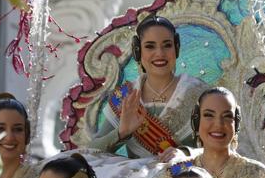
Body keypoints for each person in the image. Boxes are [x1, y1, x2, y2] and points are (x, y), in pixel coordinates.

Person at [88, 15, 209, 160]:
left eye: (167, 45)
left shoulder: (199, 93)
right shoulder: (125, 96)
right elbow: (91, 153)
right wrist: (122, 132)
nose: (160, 53)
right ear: (138, 51)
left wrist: (186, 154)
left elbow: (223, 147)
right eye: (150, 46)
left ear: (176, 48)